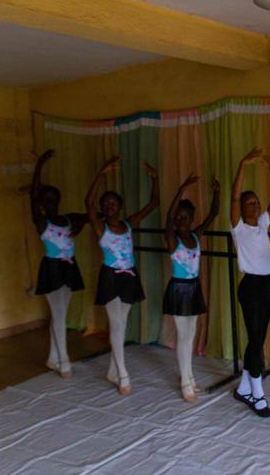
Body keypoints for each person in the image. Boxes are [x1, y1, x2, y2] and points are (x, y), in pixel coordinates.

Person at [85, 156, 159, 395]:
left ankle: (112, 370)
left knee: (122, 324)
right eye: (106, 204)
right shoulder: (100, 227)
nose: (110, 207)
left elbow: (154, 203)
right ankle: (123, 374)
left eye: (113, 204)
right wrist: (100, 173)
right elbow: (88, 203)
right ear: (102, 208)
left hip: (129, 277)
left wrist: (155, 179)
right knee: (116, 324)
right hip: (110, 277)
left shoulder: (128, 224)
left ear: (120, 207)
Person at [230, 148, 270, 417]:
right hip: (250, 287)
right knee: (255, 339)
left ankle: (243, 387)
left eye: (256, 202)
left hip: (265, 286)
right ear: (241, 209)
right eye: (249, 203)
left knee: (258, 338)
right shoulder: (238, 228)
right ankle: (257, 393)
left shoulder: (263, 224)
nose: (255, 205)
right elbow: (234, 196)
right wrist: (243, 163)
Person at [30, 149, 88, 378]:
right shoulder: (41, 222)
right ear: (42, 203)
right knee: (59, 314)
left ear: (59, 200)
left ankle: (52, 358)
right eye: (46, 200)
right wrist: (39, 165)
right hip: (52, 268)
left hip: (69, 267)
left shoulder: (68, 218)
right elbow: (33, 195)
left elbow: (91, 216)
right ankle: (64, 360)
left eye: (54, 199)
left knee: (60, 315)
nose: (51, 203)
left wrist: (81, 224)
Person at [163, 173, 219, 402]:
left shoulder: (195, 236)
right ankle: (185, 381)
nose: (181, 220)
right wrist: (182, 188)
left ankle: (189, 376)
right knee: (183, 335)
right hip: (178, 290)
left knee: (191, 334)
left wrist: (217, 193)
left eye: (186, 217)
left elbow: (213, 214)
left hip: (193, 289)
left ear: (192, 218)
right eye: (179, 217)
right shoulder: (172, 239)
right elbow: (168, 217)